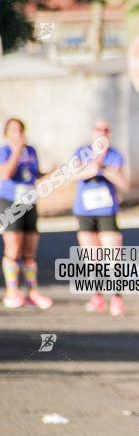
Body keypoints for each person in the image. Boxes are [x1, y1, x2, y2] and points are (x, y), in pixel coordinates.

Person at [73, 119, 130, 316]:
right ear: (92, 132)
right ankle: (97, 296)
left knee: (112, 255)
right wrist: (95, 165)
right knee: (91, 257)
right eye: (99, 129)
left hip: (107, 210)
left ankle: (116, 297)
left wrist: (103, 168)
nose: (102, 133)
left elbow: (123, 182)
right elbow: (77, 173)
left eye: (106, 129)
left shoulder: (115, 155)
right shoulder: (81, 152)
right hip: (85, 210)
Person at [0, 118, 54, 309]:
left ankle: (32, 291)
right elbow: (5, 173)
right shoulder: (5, 151)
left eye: (21, 130)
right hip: (10, 202)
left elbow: (33, 174)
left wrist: (48, 172)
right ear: (7, 133)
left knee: (30, 250)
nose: (18, 134)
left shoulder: (31, 151)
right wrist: (16, 151)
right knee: (13, 247)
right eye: (14, 131)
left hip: (29, 201)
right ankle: (12, 291)